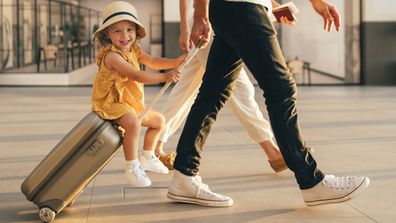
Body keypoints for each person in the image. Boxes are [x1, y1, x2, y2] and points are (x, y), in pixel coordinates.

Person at [167, 0, 370, 207]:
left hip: (233, 7)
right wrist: (199, 13)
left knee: (213, 93)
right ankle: (311, 180)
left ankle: (184, 173)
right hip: (242, 7)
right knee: (280, 88)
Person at [155, 0, 292, 173]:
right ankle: (272, 151)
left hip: (221, 19)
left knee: (186, 87)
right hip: (209, 22)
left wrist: (276, 8)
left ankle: (154, 146)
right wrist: (184, 28)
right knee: (239, 88)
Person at [92, 1, 184, 187]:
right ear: (107, 34)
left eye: (129, 30)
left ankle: (148, 156)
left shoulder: (134, 50)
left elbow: (153, 61)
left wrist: (175, 62)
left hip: (129, 102)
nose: (125, 35)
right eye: (117, 30)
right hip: (112, 102)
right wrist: (164, 77)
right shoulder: (112, 55)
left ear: (135, 31)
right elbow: (135, 75)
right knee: (133, 123)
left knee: (159, 121)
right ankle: (131, 166)